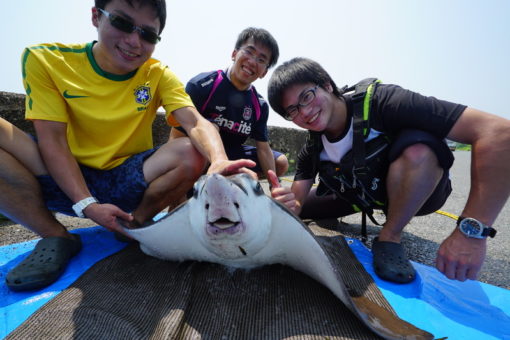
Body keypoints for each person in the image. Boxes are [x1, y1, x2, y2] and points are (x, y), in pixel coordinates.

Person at [0, 0, 255, 292]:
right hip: (64, 173)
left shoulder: (157, 73)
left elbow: (195, 122)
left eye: (148, 34)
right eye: (122, 23)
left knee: (191, 150)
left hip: (126, 178)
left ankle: (137, 222)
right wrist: (87, 204)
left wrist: (219, 160)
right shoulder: (44, 59)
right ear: (96, 16)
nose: (133, 41)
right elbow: (52, 140)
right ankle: (55, 235)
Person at [266, 57, 510, 284]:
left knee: (420, 148)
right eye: (293, 111)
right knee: (290, 210)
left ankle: (390, 237)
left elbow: (499, 133)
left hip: (420, 191)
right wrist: (290, 203)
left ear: (328, 85)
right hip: (358, 195)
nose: (305, 112)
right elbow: (296, 201)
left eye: (307, 96)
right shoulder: (314, 143)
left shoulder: (387, 102)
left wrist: (471, 232)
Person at [170, 27, 288, 179]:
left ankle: (229, 186)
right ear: (234, 54)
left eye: (261, 59)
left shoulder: (260, 105)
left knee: (281, 162)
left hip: (232, 154)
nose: (252, 61)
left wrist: (275, 187)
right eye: (249, 52)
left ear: (264, 72)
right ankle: (194, 189)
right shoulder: (202, 85)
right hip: (199, 152)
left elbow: (263, 149)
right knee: (211, 127)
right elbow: (176, 138)